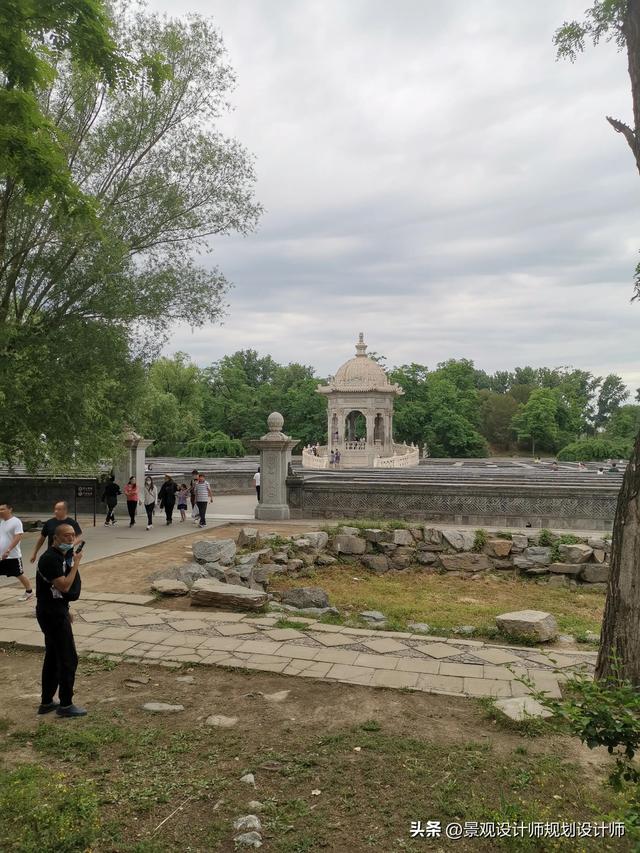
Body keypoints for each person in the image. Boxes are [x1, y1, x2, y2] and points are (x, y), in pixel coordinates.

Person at [35, 523, 86, 717]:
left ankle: (47, 702)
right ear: (55, 538)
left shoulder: (61, 557)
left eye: (73, 535)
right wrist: (76, 563)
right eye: (66, 536)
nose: (71, 539)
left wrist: (66, 609)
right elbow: (64, 586)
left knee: (53, 656)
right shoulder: (49, 559)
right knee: (68, 658)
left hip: (56, 610)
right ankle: (66, 705)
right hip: (51, 614)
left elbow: (57, 593)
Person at [30, 501, 82, 571]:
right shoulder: (49, 523)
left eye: (58, 509)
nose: (56, 511)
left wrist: (70, 545)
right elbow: (41, 539)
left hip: (67, 557)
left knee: (65, 577)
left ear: (65, 510)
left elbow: (79, 537)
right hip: (51, 555)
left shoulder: (72, 523)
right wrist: (34, 553)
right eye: (55, 509)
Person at [0, 503, 33, 600]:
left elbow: (17, 537)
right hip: (1, 555)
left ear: (10, 509)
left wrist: (8, 550)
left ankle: (29, 591)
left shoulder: (16, 522)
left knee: (19, 574)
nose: (0, 511)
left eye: (2, 509)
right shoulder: (2, 522)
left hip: (12, 555)